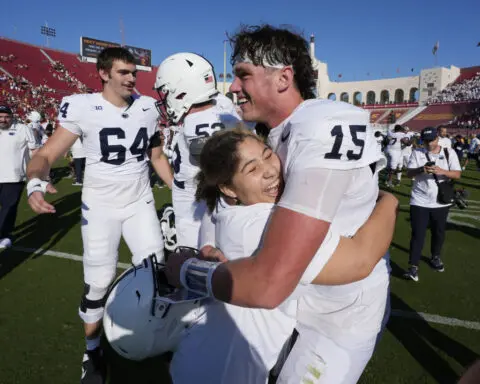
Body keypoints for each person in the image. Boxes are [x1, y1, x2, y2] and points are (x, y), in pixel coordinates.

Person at [166, 25, 393, 383]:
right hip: (300, 298)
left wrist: (187, 271)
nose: (233, 88)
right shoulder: (270, 133)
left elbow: (271, 282)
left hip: (340, 310)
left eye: (243, 75)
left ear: (284, 78)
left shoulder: (321, 124)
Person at [169, 128, 397, 383]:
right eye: (252, 169)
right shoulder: (260, 224)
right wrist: (388, 200)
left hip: (198, 359)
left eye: (268, 155)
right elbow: (361, 259)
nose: (269, 169)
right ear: (228, 188)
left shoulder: (225, 208)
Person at [26, 47, 173, 384]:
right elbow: (47, 153)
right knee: (98, 282)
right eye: (123, 72)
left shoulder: (148, 107)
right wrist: (35, 181)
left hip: (139, 202)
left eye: (134, 72)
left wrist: (181, 191)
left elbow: (158, 156)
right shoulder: (83, 106)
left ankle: (155, 335)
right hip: (101, 206)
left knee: (155, 272)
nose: (132, 78)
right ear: (104, 73)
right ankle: (92, 349)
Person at [154, 52, 243, 248]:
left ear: (181, 90)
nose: (165, 98)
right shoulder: (223, 108)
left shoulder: (196, 122)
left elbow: (220, 168)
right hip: (203, 196)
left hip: (196, 204)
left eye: (167, 92)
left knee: (194, 262)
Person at [403, 127, 461, 282]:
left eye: (432, 140)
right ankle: (413, 266)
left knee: (439, 233)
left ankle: (435, 257)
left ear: (438, 138)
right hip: (419, 200)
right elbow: (408, 174)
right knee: (418, 234)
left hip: (440, 202)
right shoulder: (417, 153)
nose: (429, 144)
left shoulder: (449, 152)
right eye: (426, 141)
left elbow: (457, 174)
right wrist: (422, 169)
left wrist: (441, 171)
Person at [0, 104, 38, 249]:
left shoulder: (23, 129)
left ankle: (5, 235)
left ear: (12, 116)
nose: (3, 119)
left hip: (14, 177)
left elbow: (34, 150)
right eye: (0, 116)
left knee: (9, 208)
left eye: (6, 116)